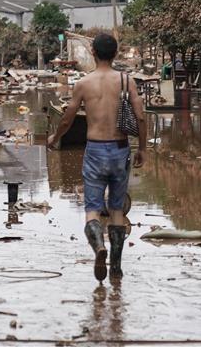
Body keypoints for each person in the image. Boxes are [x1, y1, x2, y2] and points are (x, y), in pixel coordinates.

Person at [47, 33, 147, 281]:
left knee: (92, 210)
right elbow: (141, 117)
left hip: (94, 149)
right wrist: (143, 149)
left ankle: (98, 247)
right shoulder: (127, 81)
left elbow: (68, 117)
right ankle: (116, 267)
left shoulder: (83, 83)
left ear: (93, 53)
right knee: (116, 211)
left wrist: (55, 137)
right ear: (115, 54)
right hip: (120, 149)